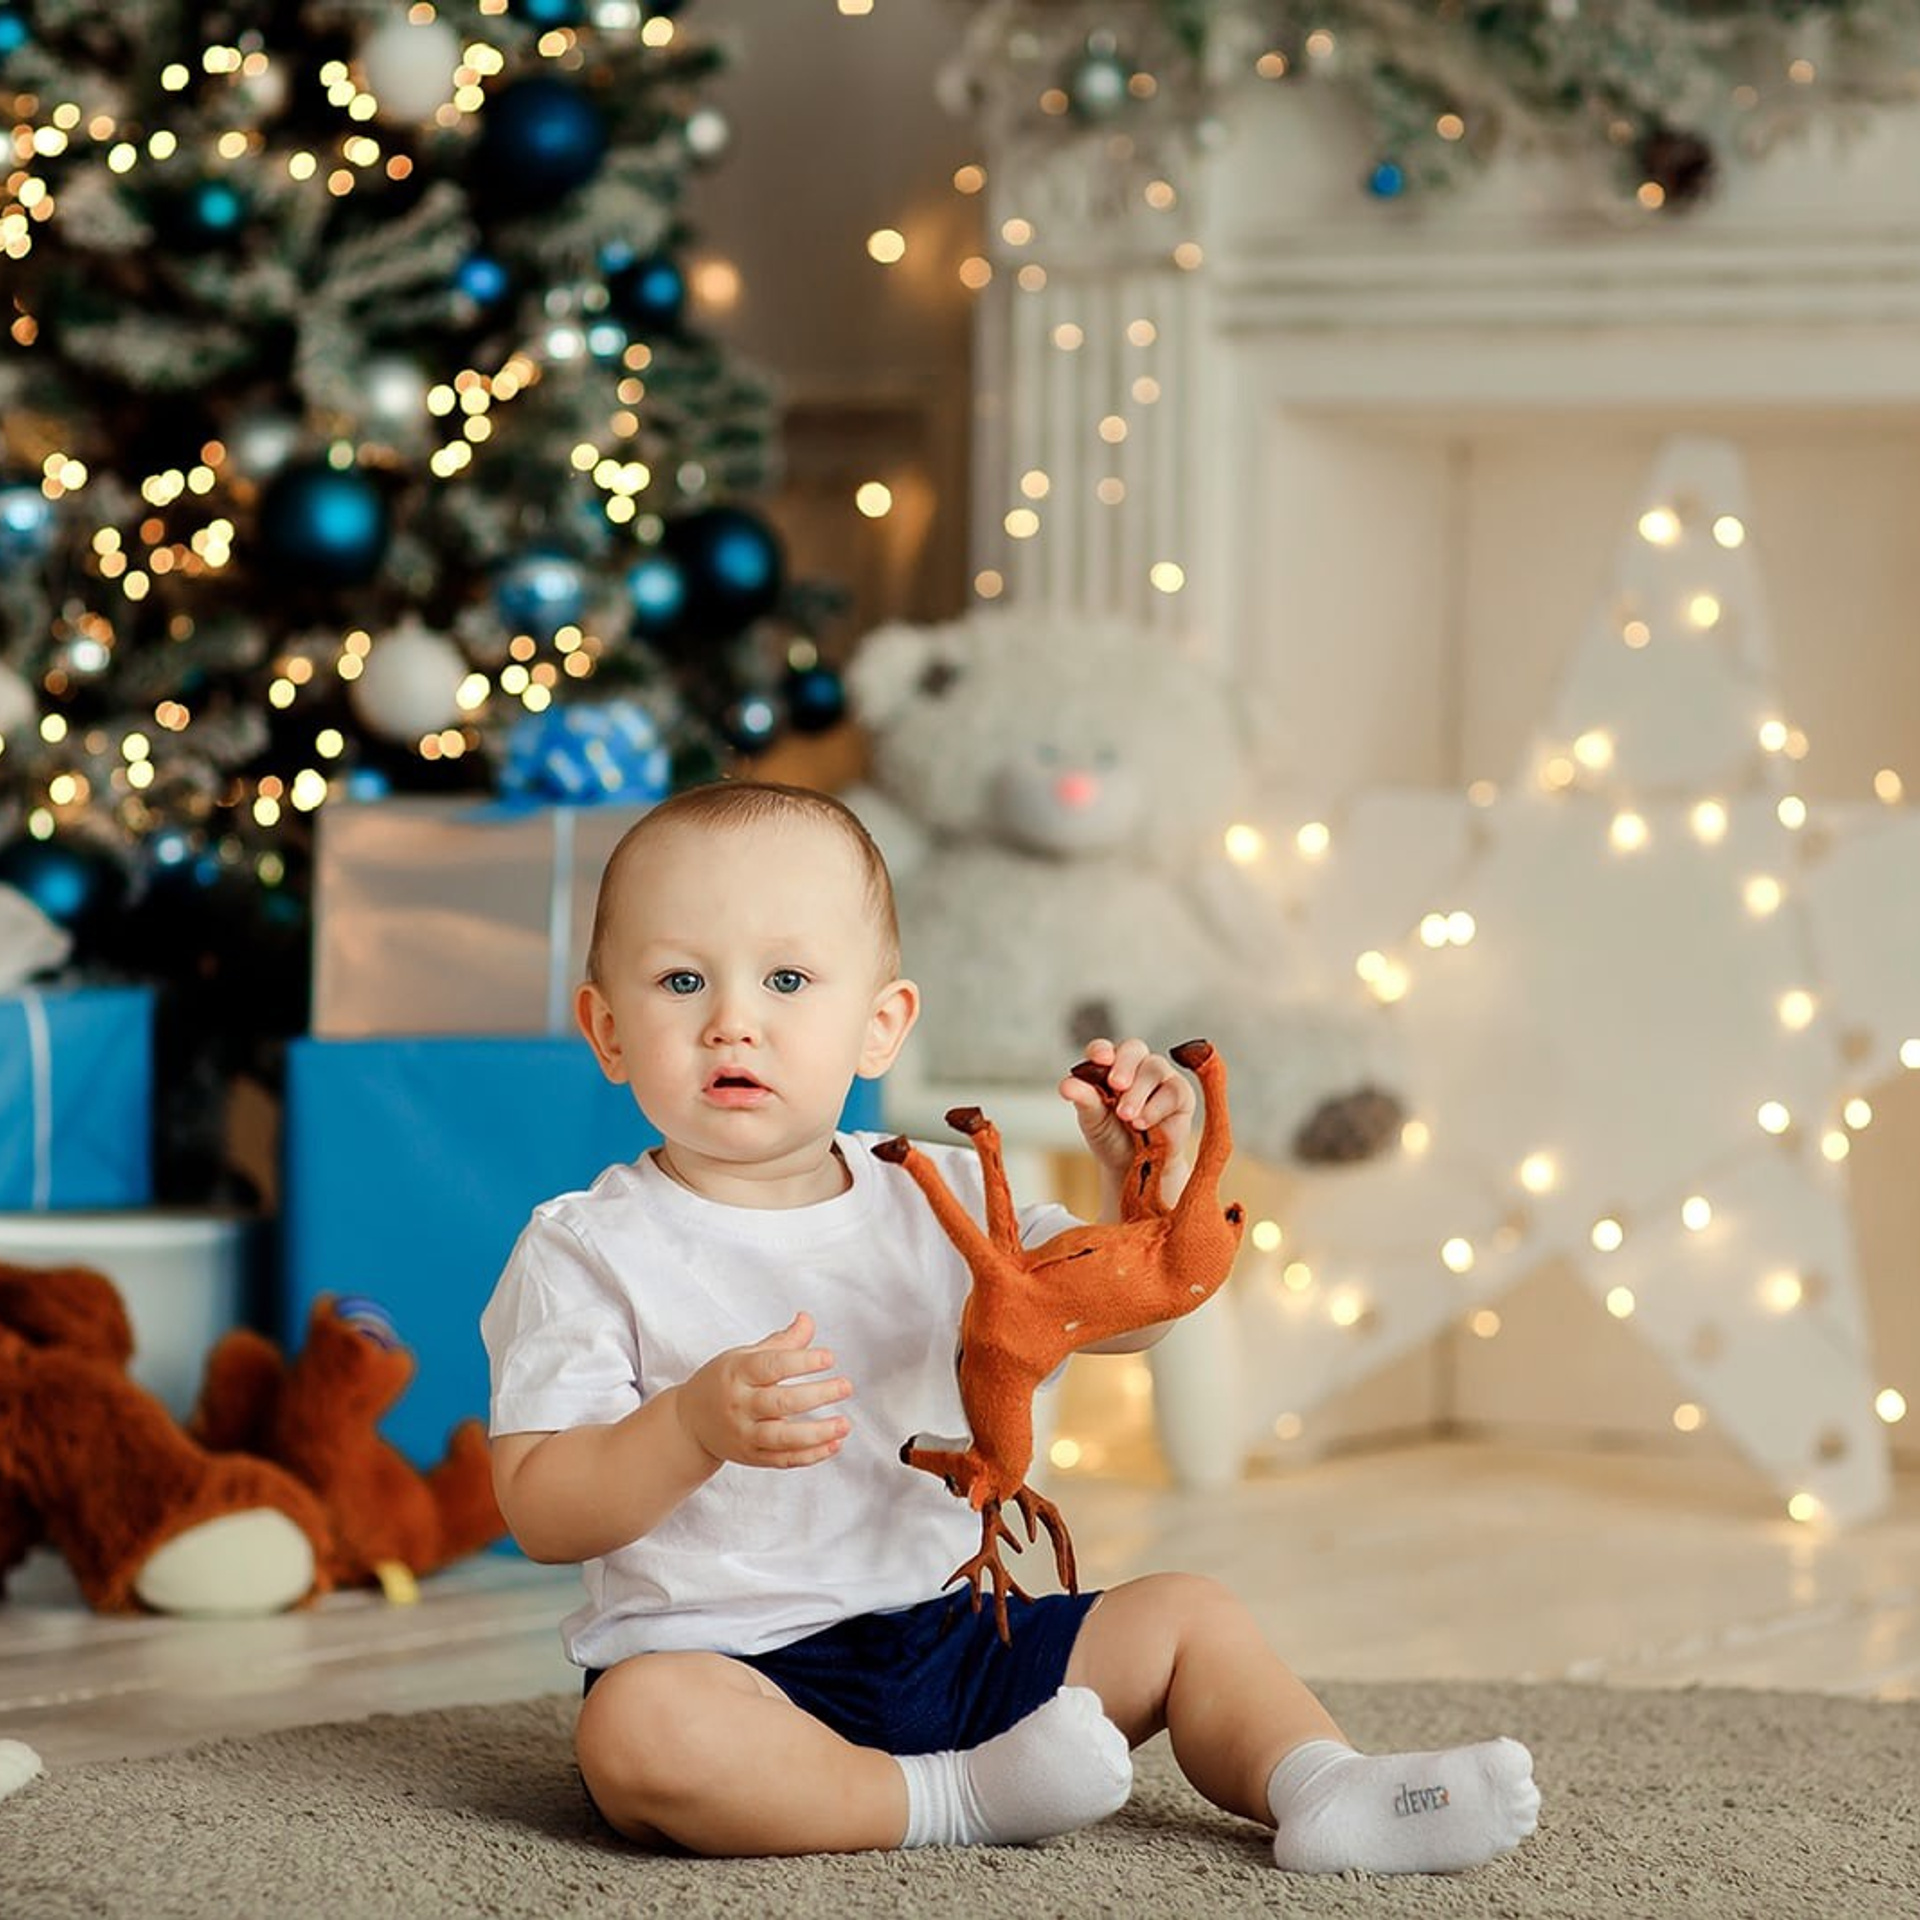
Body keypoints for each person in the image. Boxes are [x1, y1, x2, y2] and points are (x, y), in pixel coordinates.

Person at [481, 779, 1540, 1868]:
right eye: (680, 979)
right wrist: (688, 1429)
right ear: (607, 1029)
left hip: (961, 1636)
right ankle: (956, 1802)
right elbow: (542, 1511)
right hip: (730, 1669)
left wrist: (1150, 1199)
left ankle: (1326, 1788)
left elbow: (1124, 1324)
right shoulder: (587, 1249)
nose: (732, 1019)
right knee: (637, 1734)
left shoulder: (941, 1196)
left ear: (881, 1025)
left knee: (1189, 1613)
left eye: (788, 978)